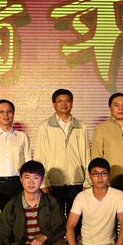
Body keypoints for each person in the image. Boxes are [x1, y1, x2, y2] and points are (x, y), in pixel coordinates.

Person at [67, 158, 123, 245]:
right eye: (95, 173)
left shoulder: (118, 195)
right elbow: (70, 226)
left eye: (104, 173)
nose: (100, 178)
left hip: (107, 244)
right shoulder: (81, 196)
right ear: (90, 176)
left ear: (109, 175)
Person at [34, 88, 90, 217]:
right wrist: (43, 182)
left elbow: (86, 156)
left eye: (67, 101)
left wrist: (87, 181)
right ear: (54, 104)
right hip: (53, 182)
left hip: (76, 181)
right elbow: (39, 157)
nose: (64, 104)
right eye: (60, 101)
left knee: (76, 217)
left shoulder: (81, 127)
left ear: (72, 103)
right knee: (54, 217)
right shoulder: (45, 127)